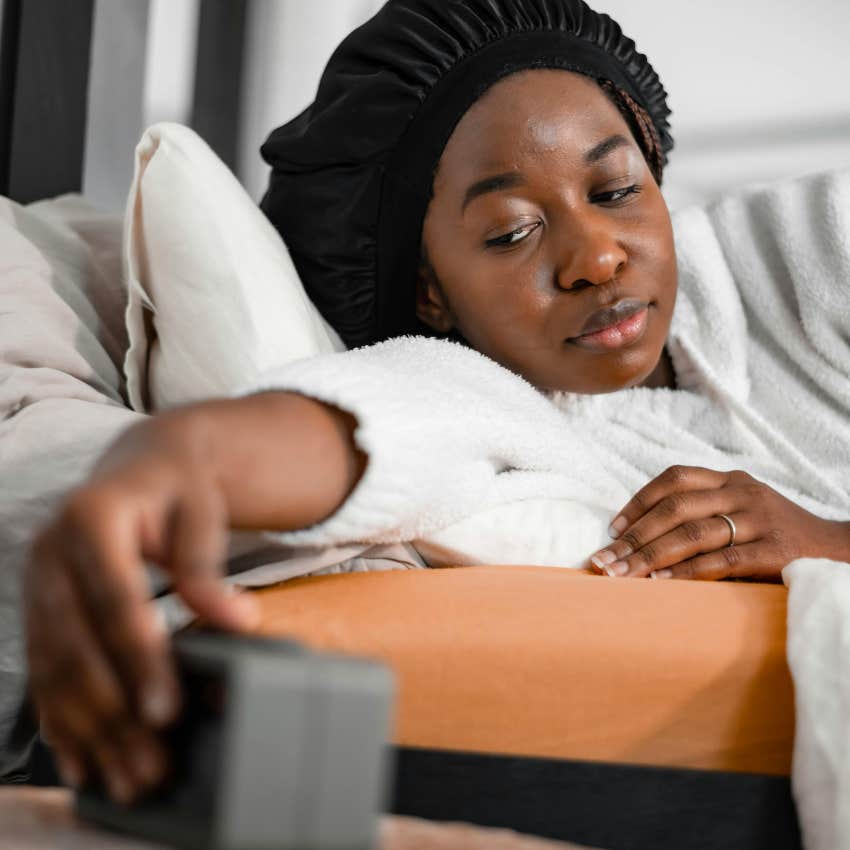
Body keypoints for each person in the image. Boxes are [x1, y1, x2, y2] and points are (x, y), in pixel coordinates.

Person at [23, 0, 850, 806]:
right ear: (430, 293)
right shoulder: (488, 399)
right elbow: (369, 423)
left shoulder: (811, 247)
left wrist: (824, 539)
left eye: (614, 190)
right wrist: (163, 467)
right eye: (512, 232)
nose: (596, 258)